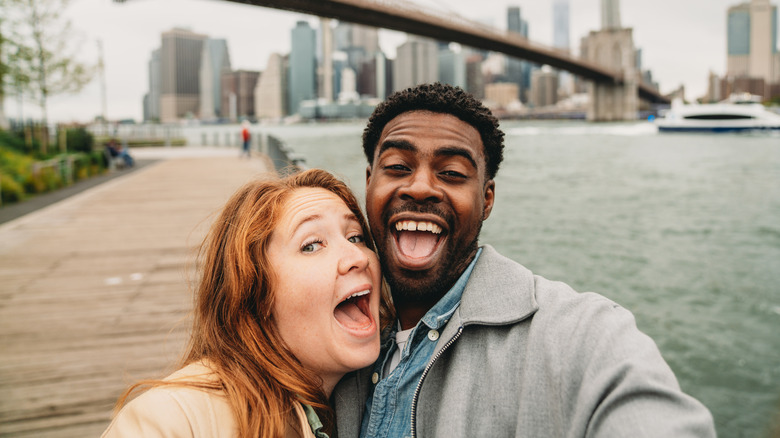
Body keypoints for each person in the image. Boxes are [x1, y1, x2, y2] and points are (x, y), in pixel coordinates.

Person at [332, 83, 717, 437]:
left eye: (451, 173)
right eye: (398, 167)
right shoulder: (324, 324)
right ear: (368, 182)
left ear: (487, 199)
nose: (420, 187)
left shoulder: (581, 336)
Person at [102, 169, 389, 437]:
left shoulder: (375, 400)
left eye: (356, 237)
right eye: (311, 245)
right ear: (255, 295)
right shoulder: (171, 419)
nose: (358, 256)